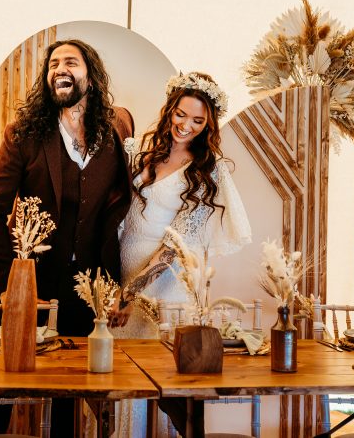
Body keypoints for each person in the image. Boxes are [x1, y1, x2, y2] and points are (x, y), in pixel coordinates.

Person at [0, 38, 134, 437]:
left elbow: (113, 219)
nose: (60, 68)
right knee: (3, 389)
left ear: (91, 78)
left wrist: (111, 286)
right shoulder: (23, 135)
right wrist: (10, 285)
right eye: (53, 64)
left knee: (71, 396)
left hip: (86, 294)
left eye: (71, 62)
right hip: (31, 288)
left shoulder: (113, 137)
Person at [111, 72, 251, 437]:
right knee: (127, 385)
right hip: (123, 274)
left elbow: (175, 244)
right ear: (170, 109)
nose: (185, 125)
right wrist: (116, 286)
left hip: (165, 289)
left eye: (197, 120)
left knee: (166, 388)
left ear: (209, 125)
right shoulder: (141, 151)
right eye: (180, 114)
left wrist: (131, 295)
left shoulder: (207, 172)